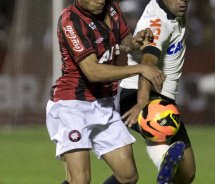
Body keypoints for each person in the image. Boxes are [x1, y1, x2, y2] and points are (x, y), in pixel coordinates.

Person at [46, 0, 165, 184]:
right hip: (72, 105)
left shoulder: (112, 6)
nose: (100, 0)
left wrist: (135, 42)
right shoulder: (71, 20)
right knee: (80, 180)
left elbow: (124, 42)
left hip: (104, 103)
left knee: (127, 177)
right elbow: (93, 72)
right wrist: (140, 68)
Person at [119, 0, 196, 183]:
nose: (183, 1)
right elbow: (147, 64)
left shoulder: (174, 11)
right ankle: (164, 163)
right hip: (138, 92)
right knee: (158, 129)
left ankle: (166, 168)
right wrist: (141, 102)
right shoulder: (157, 22)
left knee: (187, 173)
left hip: (161, 97)